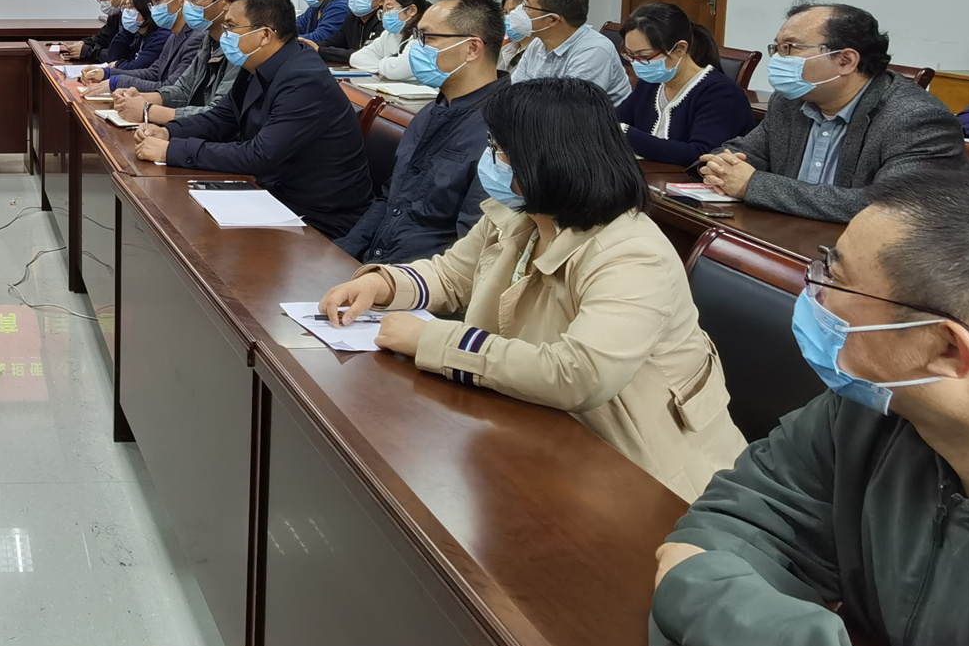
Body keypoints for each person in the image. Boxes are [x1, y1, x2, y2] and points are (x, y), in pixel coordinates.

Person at [319, 77, 746, 500]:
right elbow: (452, 275)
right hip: (536, 427)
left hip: (640, 474)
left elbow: (580, 375)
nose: (490, 161)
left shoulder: (632, 252)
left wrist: (432, 340)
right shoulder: (520, 212)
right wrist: (382, 283)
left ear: (546, 159)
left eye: (499, 150)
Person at [648, 171, 969, 646]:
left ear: (946, 350)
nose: (811, 288)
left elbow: (701, 586)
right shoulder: (866, 413)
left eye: (834, 278)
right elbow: (722, 535)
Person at [136, 0, 373, 238]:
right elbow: (222, 117)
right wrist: (169, 132)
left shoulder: (304, 79)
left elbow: (260, 155)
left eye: (231, 27)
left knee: (193, 231)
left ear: (265, 35)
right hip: (272, 193)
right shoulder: (255, 65)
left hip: (318, 217)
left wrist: (171, 150)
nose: (224, 35)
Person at [697, 0, 964, 223]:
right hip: (786, 237)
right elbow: (742, 152)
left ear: (846, 60)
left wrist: (753, 185)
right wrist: (721, 165)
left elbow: (890, 209)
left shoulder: (915, 118)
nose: (777, 59)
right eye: (776, 48)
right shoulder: (789, 102)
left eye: (789, 48)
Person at [337, 0, 510, 266]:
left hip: (425, 278)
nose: (417, 47)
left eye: (427, 37)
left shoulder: (503, 132)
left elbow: (472, 245)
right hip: (377, 264)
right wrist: (342, 253)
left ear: (472, 48)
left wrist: (393, 282)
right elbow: (390, 199)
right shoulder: (430, 112)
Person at [614, 2, 754, 169]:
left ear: (680, 48)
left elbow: (700, 154)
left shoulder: (721, 93)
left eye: (644, 56)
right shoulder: (650, 84)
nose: (637, 63)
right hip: (651, 175)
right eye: (630, 55)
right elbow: (616, 120)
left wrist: (626, 133)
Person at [112, 0, 245, 128]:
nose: (185, 4)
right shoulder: (209, 39)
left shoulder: (241, 47)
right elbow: (183, 90)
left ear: (225, 2)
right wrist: (138, 97)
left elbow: (219, 114)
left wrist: (147, 110)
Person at [508, 0, 631, 102]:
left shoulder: (594, 51)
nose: (518, 11)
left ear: (552, 20)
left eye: (526, 6)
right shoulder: (538, 43)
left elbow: (568, 109)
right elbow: (514, 92)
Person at [84, 0, 204, 97]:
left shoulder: (195, 38)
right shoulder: (174, 36)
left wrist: (116, 82)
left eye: (158, 0)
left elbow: (171, 88)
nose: (154, 8)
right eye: (152, 3)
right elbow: (153, 73)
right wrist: (107, 74)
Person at [348, 0, 427, 81]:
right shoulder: (389, 34)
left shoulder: (425, 35)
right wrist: (387, 67)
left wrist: (382, 64)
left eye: (389, 9)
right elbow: (356, 58)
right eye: (383, 11)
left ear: (412, 10)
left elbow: (398, 70)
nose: (385, 15)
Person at [320, 0, 392, 67]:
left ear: (381, 0)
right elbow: (333, 42)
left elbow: (365, 55)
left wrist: (320, 50)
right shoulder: (352, 17)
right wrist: (309, 45)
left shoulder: (386, 21)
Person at [64, 0, 132, 62]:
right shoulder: (116, 14)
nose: (102, 2)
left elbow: (123, 55)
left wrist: (87, 52)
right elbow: (103, 37)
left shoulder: (135, 18)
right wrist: (84, 43)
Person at [497, 0, 539, 73]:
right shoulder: (505, 50)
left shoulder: (540, 52)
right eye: (505, 12)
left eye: (514, 12)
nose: (508, 17)